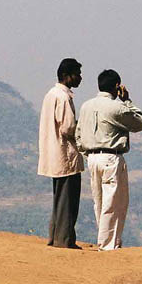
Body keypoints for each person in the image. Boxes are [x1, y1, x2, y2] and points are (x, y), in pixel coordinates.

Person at [75, 69, 142, 250]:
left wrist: (86, 152)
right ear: (117, 86)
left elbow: (78, 134)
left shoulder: (86, 106)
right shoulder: (116, 107)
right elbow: (139, 123)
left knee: (99, 202)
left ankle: (105, 240)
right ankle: (108, 245)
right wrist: (127, 100)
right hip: (111, 157)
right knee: (113, 202)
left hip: (92, 157)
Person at [38, 58, 84, 249]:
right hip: (65, 155)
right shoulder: (64, 97)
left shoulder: (51, 94)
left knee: (59, 199)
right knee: (68, 200)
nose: (80, 78)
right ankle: (64, 240)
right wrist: (83, 134)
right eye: (77, 74)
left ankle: (56, 236)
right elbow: (68, 128)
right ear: (66, 76)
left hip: (53, 154)